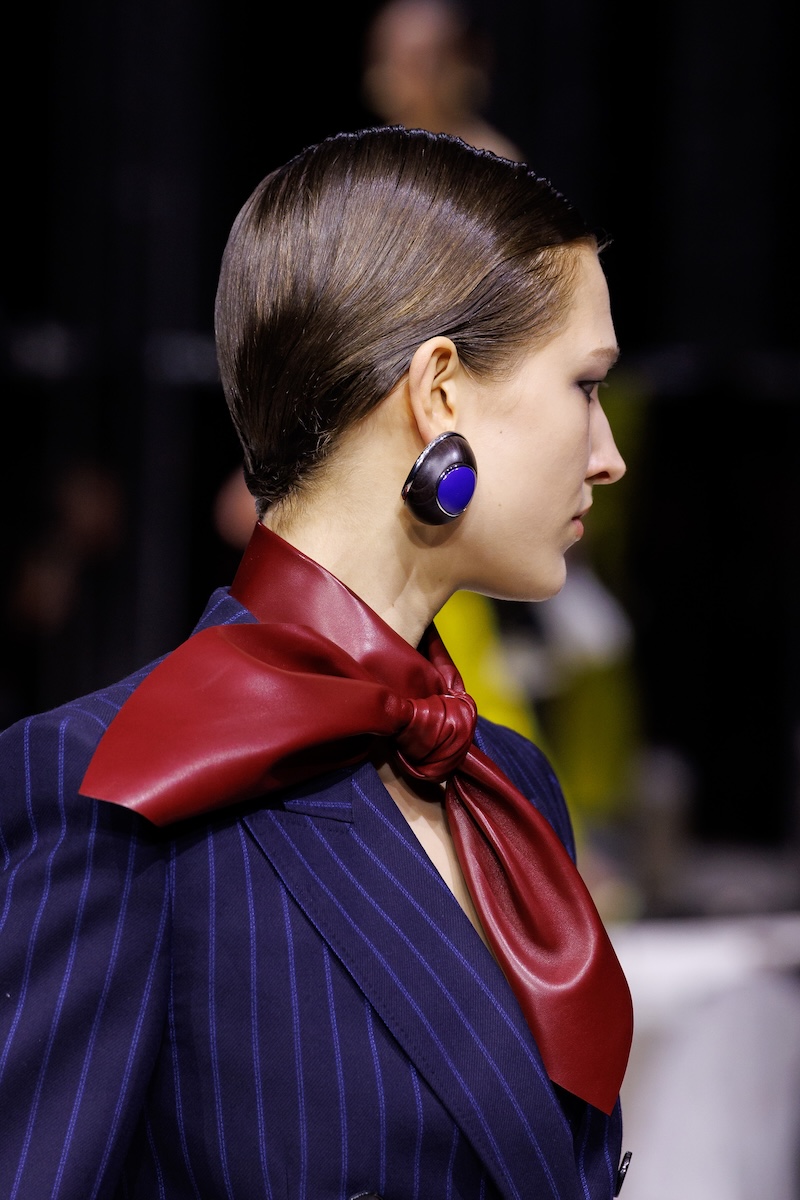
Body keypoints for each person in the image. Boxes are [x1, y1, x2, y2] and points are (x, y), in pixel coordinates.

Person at [0, 126, 633, 1198]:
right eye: (584, 384)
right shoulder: (114, 790)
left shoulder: (508, 784)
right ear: (439, 391)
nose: (607, 455)